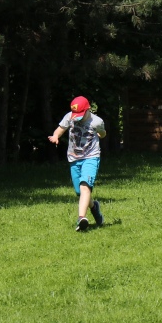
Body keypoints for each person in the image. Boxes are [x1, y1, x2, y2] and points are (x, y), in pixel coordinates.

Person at [48, 96, 106, 232]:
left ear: (88, 109)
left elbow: (103, 133)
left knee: (85, 185)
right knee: (80, 192)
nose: (77, 117)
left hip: (91, 157)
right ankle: (94, 207)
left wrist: (100, 135)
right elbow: (60, 129)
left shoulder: (97, 121)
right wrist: (56, 136)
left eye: (80, 114)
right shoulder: (70, 116)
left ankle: (81, 218)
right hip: (74, 158)